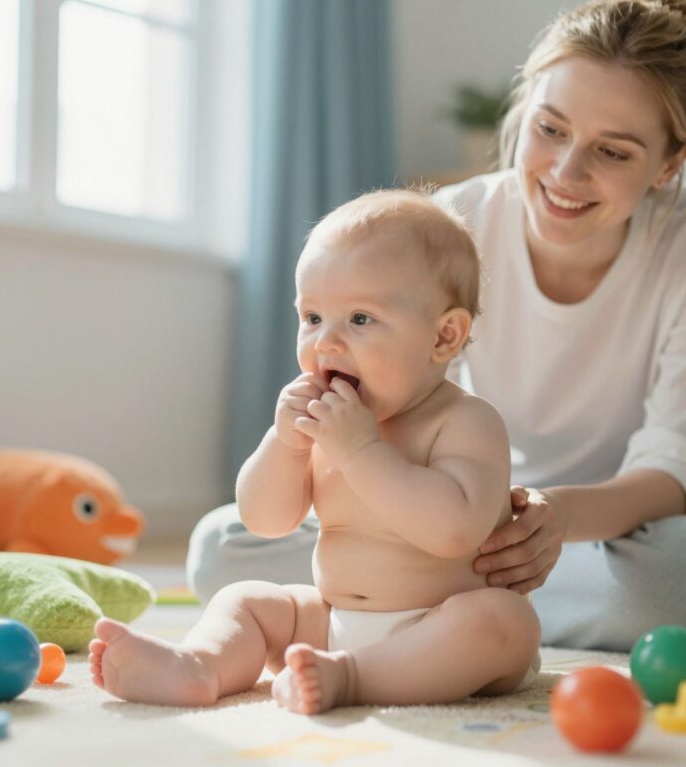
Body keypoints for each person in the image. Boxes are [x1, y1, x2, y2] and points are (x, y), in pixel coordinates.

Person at [186, 0, 686, 651]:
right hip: (447, 515)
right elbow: (403, 417)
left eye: (611, 151)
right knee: (222, 547)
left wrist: (554, 519)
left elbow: (677, 463)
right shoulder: (455, 225)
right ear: (523, 111)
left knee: (677, 581)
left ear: (669, 162)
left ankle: (418, 614)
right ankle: (458, 618)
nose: (566, 172)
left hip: (630, 530)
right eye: (550, 129)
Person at [89, 190, 541, 713]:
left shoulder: (466, 421)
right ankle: (199, 666)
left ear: (444, 336)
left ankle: (351, 680)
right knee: (249, 601)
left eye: (360, 320)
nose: (326, 343)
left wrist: (361, 451)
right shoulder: (328, 421)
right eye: (312, 317)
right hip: (331, 622)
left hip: (440, 629)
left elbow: (454, 530)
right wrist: (284, 444)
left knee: (503, 622)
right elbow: (265, 520)